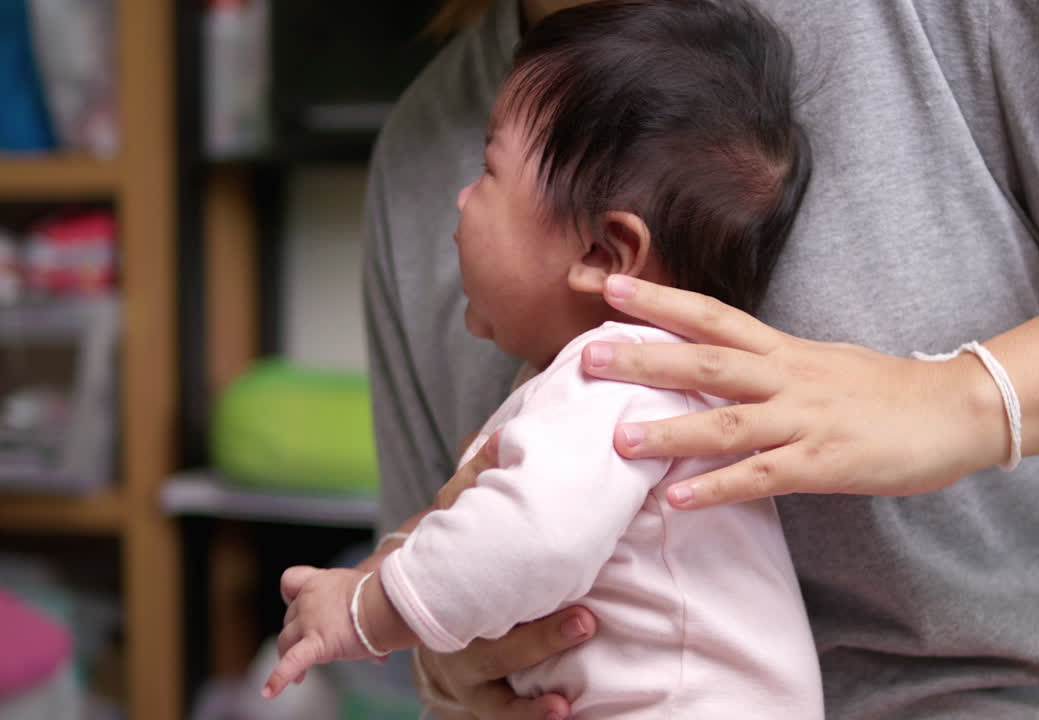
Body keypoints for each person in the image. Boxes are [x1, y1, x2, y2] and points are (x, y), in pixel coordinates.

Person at [362, 0, 1039, 718]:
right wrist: (446, 658)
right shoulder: (418, 157)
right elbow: (425, 579)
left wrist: (957, 399)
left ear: (613, 250)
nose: (467, 200)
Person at [263, 2, 824, 717]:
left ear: (604, 254)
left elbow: (531, 542)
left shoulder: (618, 381)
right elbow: (476, 514)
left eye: (487, 171)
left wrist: (364, 611)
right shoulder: (604, 384)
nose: (461, 199)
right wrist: (383, 565)